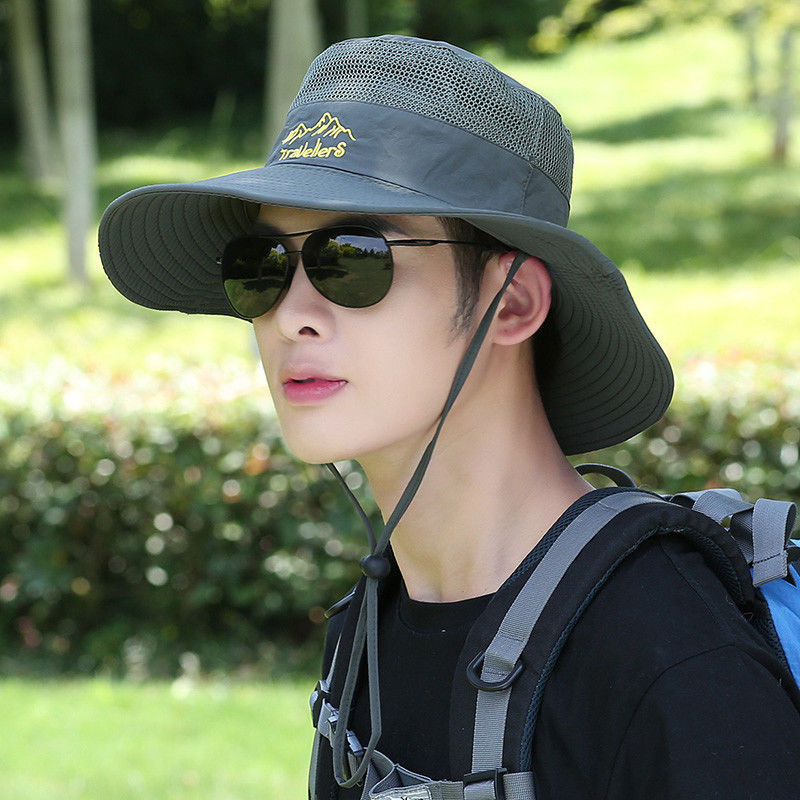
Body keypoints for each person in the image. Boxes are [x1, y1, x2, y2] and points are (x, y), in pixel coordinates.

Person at [99, 34, 800, 800]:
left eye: (352, 258)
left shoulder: (673, 657)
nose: (291, 315)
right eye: (260, 267)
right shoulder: (366, 632)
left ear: (514, 303)